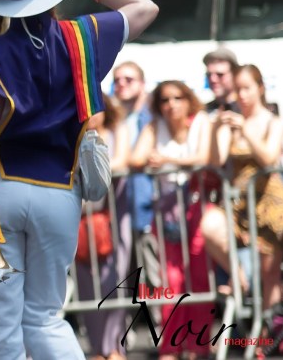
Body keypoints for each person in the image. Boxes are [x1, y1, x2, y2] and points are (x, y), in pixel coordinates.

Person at [0, 0, 159, 359]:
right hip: (60, 192)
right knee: (45, 317)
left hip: (3, 191)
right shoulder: (84, 36)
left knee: (3, 317)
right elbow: (144, 7)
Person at [129, 80, 212, 360]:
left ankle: (199, 346)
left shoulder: (201, 121)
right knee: (170, 281)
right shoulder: (155, 126)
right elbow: (135, 159)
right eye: (164, 100)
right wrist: (153, 155)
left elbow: (203, 158)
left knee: (198, 279)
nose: (171, 104)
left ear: (189, 100)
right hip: (167, 213)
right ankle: (172, 347)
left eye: (177, 98)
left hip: (197, 209)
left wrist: (164, 159)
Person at [201, 65, 283, 312]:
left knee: (270, 274)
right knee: (210, 225)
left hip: (270, 205)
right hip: (239, 204)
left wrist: (246, 129)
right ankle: (239, 277)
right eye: (238, 90)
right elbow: (216, 161)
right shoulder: (233, 121)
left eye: (247, 88)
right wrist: (216, 128)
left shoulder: (272, 121)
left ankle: (269, 329)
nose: (242, 95)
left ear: (260, 88)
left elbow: (269, 159)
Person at [74, 95, 131, 360]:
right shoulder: (75, 136)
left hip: (116, 216)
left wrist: (94, 169)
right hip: (83, 219)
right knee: (87, 286)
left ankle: (114, 347)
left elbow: (123, 160)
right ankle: (98, 348)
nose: (92, 115)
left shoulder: (118, 130)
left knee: (115, 282)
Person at [113, 61, 161, 288]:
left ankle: (161, 312)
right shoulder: (114, 117)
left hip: (148, 204)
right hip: (119, 207)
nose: (121, 84)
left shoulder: (152, 115)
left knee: (154, 275)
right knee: (126, 278)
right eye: (117, 80)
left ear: (142, 84)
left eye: (128, 79)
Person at [203, 47, 240, 115]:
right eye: (209, 75)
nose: (213, 79)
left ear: (235, 75)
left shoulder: (247, 109)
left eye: (220, 75)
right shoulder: (203, 112)